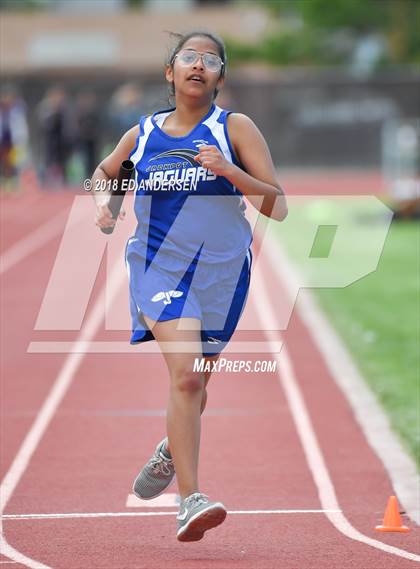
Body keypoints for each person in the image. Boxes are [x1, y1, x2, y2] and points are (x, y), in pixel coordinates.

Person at [90, 30, 288, 542]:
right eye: (189, 58)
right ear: (170, 73)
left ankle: (168, 451)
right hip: (159, 267)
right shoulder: (144, 135)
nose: (199, 66)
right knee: (186, 378)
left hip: (222, 273)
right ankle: (190, 498)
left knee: (196, 386)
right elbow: (104, 173)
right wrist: (105, 204)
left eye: (211, 60)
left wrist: (228, 171)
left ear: (221, 76)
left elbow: (277, 206)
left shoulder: (234, 129)